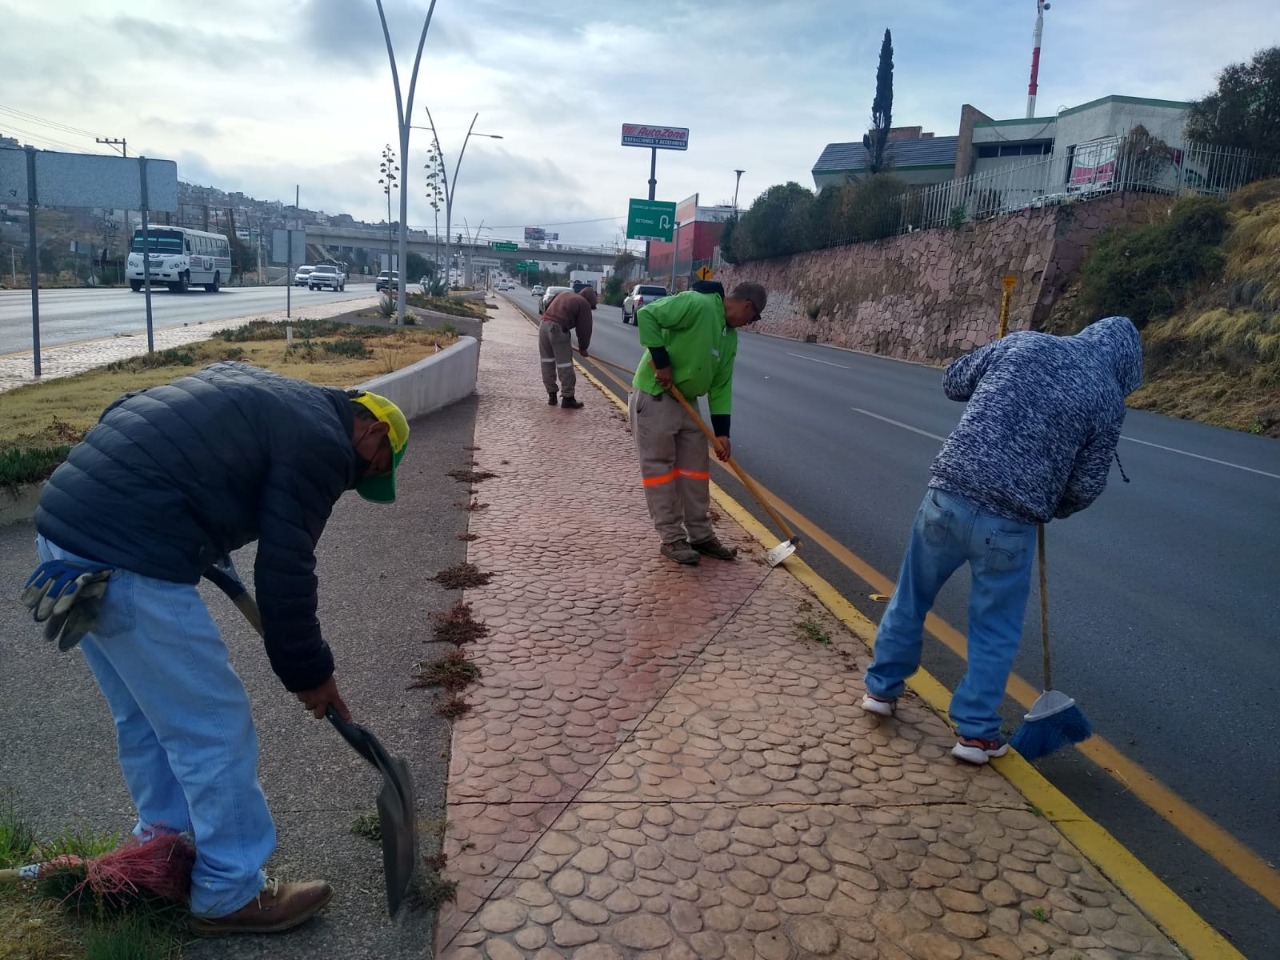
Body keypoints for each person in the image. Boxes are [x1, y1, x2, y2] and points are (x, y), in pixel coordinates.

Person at [20, 361, 410, 935]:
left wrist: (200, 539)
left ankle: (161, 846)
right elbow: (286, 567)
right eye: (367, 472)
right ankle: (229, 892)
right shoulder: (326, 443)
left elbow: (134, 411)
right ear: (372, 431)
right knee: (212, 725)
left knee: (148, 719)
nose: (353, 481)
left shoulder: (263, 386)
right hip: (131, 550)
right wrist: (309, 672)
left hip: (66, 527)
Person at [860, 316, 1143, 764]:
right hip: (1011, 523)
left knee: (911, 596)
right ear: (1125, 368)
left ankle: (881, 689)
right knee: (994, 629)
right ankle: (974, 734)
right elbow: (1086, 486)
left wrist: (1002, 380)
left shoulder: (1024, 344)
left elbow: (954, 380)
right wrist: (1051, 504)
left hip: (948, 495)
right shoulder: (1108, 398)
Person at [629, 281, 767, 565]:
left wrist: (722, 434)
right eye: (752, 319)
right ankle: (671, 538)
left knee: (696, 470)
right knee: (660, 470)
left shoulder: (730, 336)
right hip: (656, 394)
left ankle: (701, 535)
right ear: (747, 306)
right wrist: (662, 361)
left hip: (687, 401)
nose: (749, 323)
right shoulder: (698, 303)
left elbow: (721, 385)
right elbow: (647, 315)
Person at [539, 287, 594, 408]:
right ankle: (568, 398)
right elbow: (584, 328)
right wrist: (583, 347)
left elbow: (546, 306)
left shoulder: (564, 293)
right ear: (589, 299)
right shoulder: (583, 303)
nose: (591, 308)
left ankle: (551, 395)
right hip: (557, 328)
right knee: (565, 364)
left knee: (547, 362)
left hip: (543, 324)